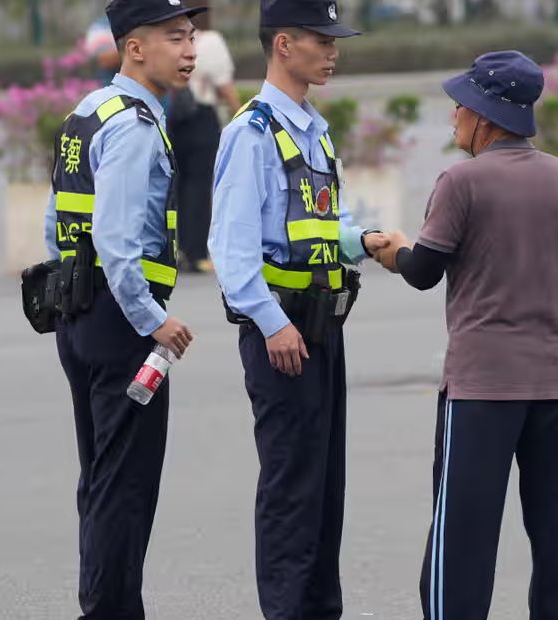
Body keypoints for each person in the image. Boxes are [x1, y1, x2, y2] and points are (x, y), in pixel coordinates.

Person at [373, 50, 558, 620]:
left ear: (485, 115)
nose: (453, 117)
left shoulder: (460, 182)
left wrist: (388, 249)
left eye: (460, 106)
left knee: (463, 541)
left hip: (482, 394)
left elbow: (423, 272)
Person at [207, 1, 384, 617]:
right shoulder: (250, 133)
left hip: (322, 328)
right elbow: (229, 250)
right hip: (280, 334)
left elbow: (319, 223)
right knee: (290, 488)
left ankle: (319, 610)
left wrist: (364, 242)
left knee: (324, 486)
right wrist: (272, 322)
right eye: (321, 39)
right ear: (283, 44)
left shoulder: (311, 127)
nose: (333, 51)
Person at [41, 0, 201, 616]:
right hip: (120, 324)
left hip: (77, 315)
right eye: (172, 37)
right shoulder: (133, 125)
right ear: (135, 47)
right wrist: (150, 317)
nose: (188, 50)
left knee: (102, 479)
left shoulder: (88, 111)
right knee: (124, 487)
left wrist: (67, 294)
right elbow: (116, 237)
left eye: (190, 36)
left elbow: (58, 219)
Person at [168, 0, 239, 272]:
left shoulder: (172, 39)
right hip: (201, 118)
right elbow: (224, 85)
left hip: (173, 119)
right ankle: (196, 253)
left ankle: (176, 250)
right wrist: (241, 112)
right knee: (199, 187)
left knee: (176, 186)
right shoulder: (210, 41)